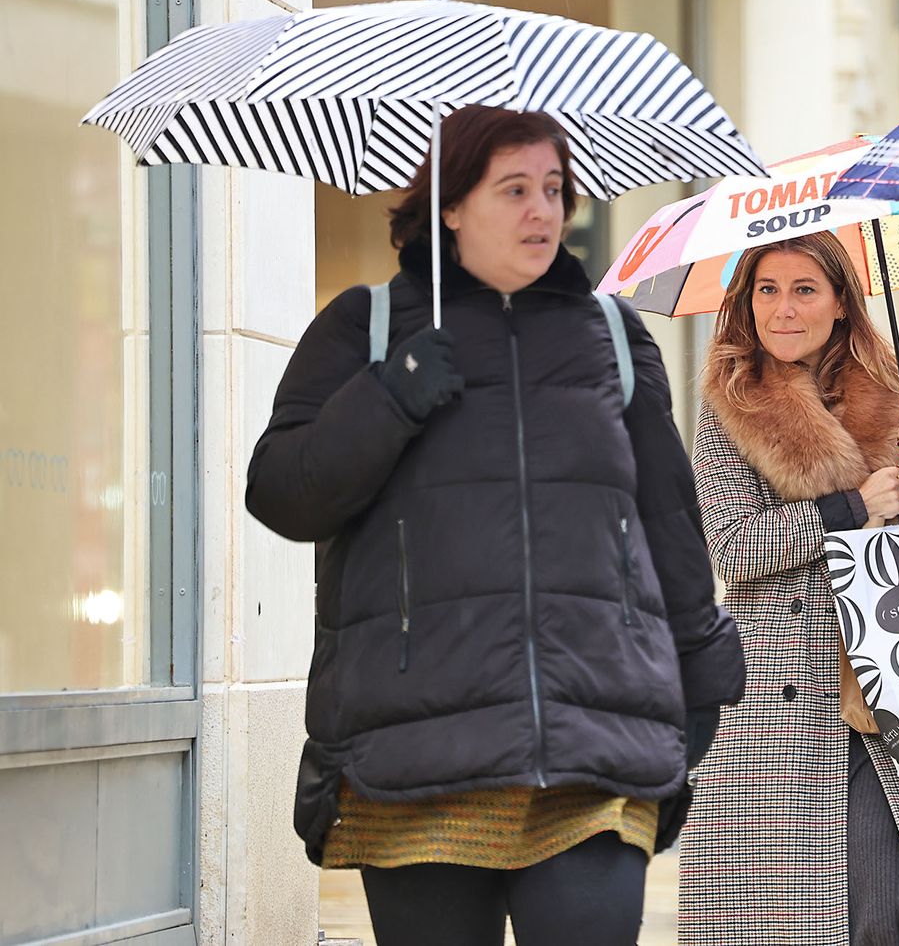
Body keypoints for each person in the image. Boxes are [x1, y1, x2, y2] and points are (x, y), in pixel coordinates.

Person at [245, 105, 744, 946]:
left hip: (594, 736)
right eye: (514, 189)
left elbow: (666, 521)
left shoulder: (613, 337)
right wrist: (392, 393)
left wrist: (701, 671)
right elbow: (282, 492)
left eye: (553, 188)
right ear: (449, 205)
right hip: (419, 752)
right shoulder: (366, 329)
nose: (543, 210)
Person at [678, 231, 899, 946]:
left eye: (805, 289)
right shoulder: (730, 403)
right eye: (767, 289)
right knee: (777, 920)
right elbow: (734, 547)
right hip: (774, 699)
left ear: (841, 301)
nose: (784, 308)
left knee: (885, 911)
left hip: (897, 678)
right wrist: (846, 509)